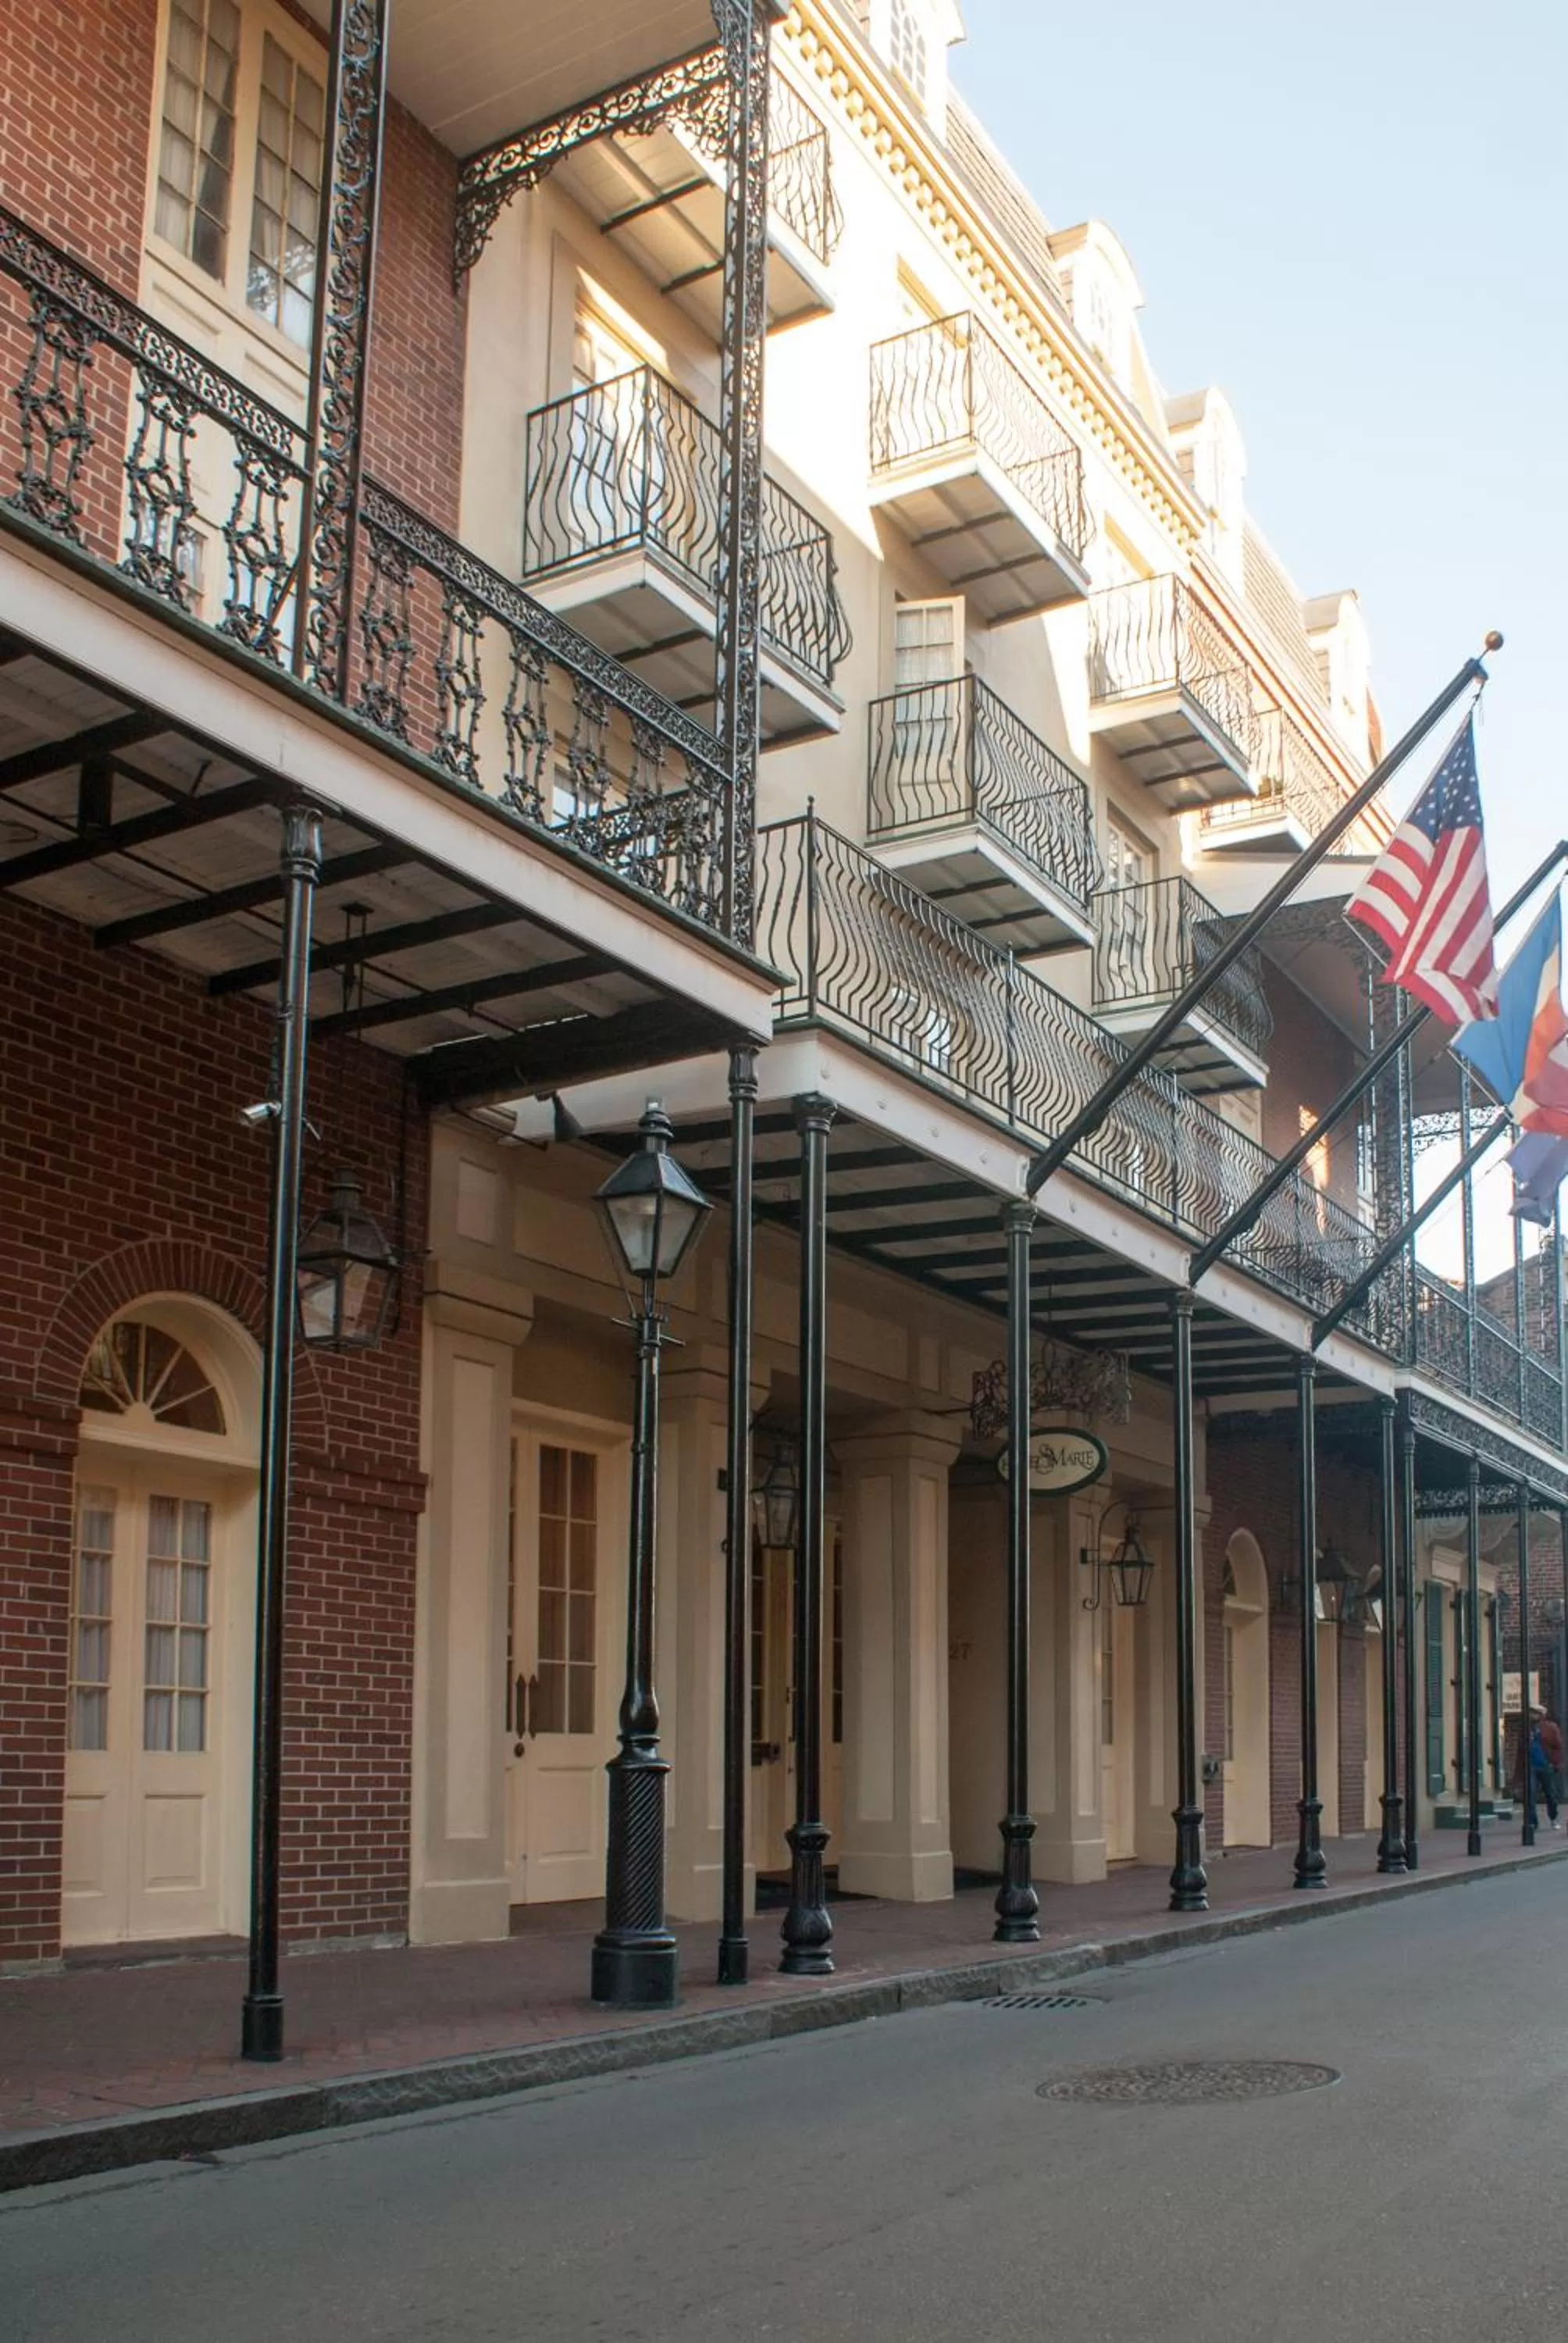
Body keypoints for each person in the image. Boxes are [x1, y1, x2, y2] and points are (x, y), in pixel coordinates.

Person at [1526, 1708, 1563, 1831]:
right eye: (1531, 1713)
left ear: (1541, 1715)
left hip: (1546, 1765)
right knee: (1530, 1795)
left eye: (1535, 1713)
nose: (1532, 1715)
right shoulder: (1527, 1728)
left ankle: (1553, 1818)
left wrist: (1555, 1764)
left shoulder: (1550, 1727)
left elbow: (1558, 1747)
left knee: (1550, 1794)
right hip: (1531, 1766)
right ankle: (1532, 1823)